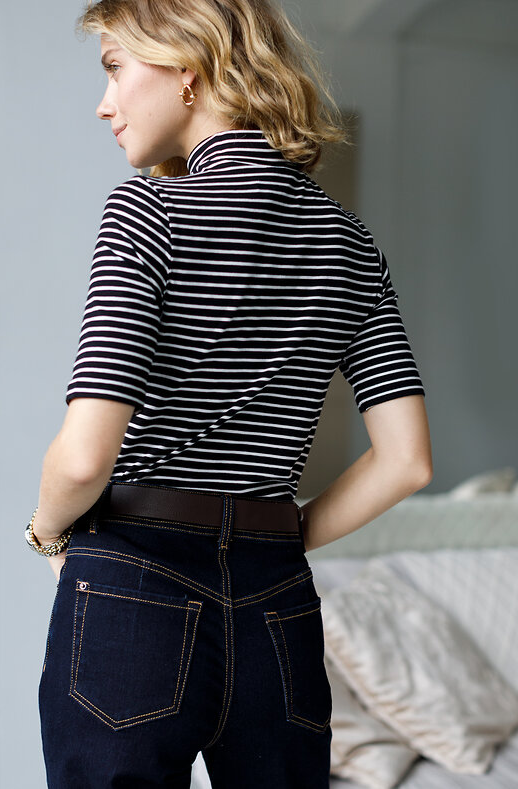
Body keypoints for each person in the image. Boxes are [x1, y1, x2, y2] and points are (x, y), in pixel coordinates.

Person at [27, 0, 433, 786]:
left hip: (135, 579)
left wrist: (45, 534)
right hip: (277, 598)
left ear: (186, 64)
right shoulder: (350, 243)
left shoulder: (146, 210)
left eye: (115, 68)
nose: (105, 103)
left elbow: (82, 459)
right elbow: (407, 461)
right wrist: (275, 536)